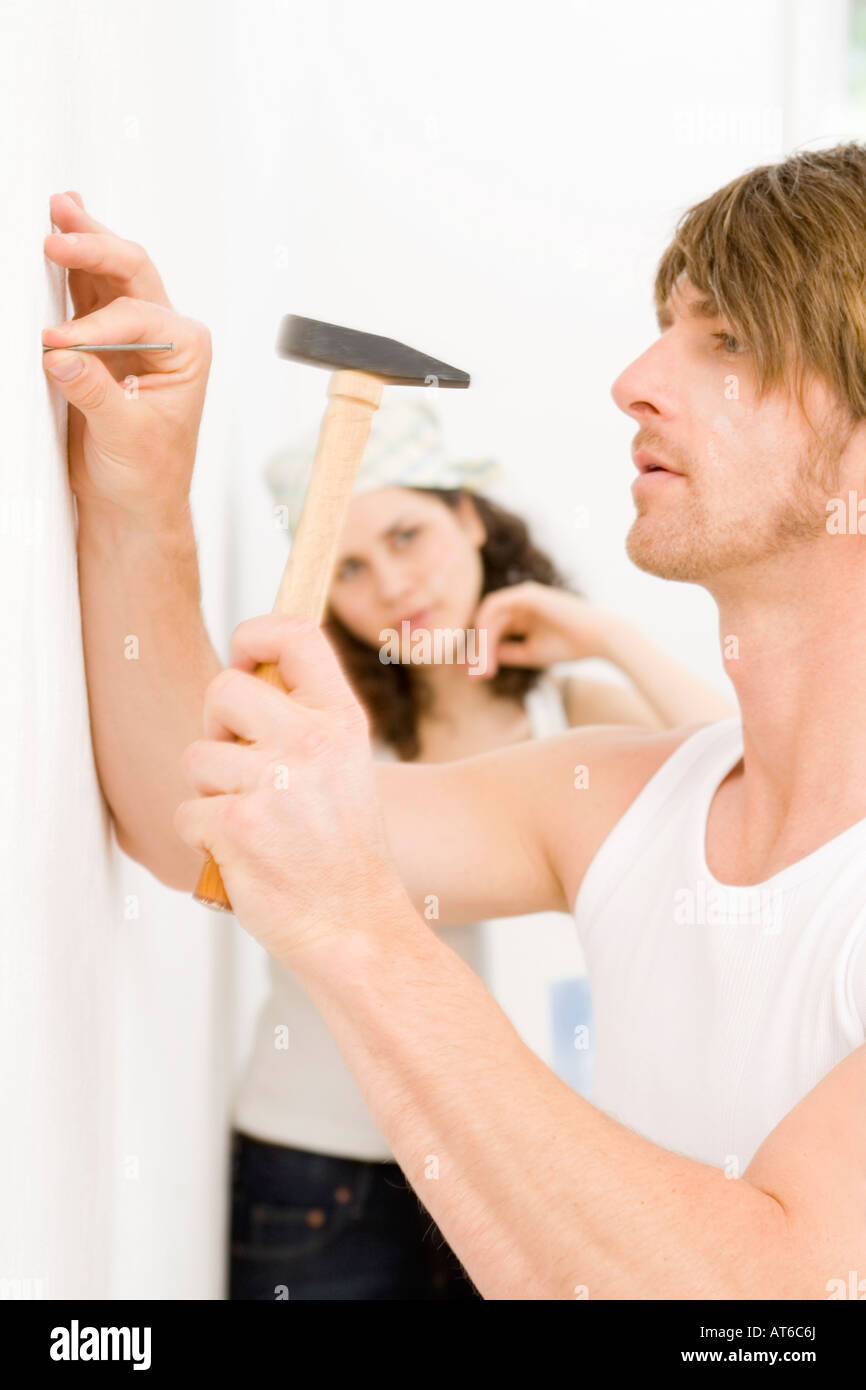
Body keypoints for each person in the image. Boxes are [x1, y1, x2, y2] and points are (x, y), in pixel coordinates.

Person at [42, 144, 866, 1300]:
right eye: (665, 324)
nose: (632, 376)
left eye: (724, 340)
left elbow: (767, 1308)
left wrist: (359, 924)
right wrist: (141, 500)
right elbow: (204, 828)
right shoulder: (622, 799)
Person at [225, 398, 732, 1299]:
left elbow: (755, 776)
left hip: (506, 1162)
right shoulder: (321, 730)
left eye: (409, 535)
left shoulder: (569, 720)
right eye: (348, 566)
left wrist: (611, 638)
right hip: (318, 1166)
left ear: (468, 515)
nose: (390, 583)